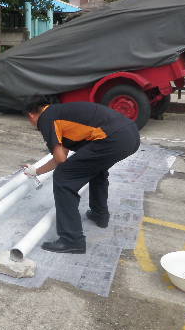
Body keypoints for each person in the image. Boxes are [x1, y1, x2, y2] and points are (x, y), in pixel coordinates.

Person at [23, 100, 140, 254]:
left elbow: (60, 160)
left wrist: (36, 171)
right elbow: (62, 154)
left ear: (31, 115)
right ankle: (99, 215)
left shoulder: (46, 119)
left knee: (63, 177)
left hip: (114, 138)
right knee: (95, 169)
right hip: (130, 134)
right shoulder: (61, 113)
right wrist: (37, 171)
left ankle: (72, 240)